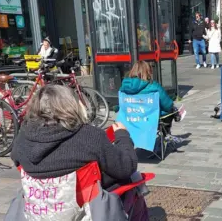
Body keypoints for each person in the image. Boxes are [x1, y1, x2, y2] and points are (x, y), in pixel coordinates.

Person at [10, 85, 147, 220]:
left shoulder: (22, 139)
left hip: (38, 211)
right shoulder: (90, 136)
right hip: (89, 211)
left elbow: (16, 160)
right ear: (71, 106)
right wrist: (123, 136)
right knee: (134, 182)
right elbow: (125, 167)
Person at [119, 61, 181, 131]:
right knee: (170, 110)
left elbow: (122, 104)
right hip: (150, 117)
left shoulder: (124, 87)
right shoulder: (154, 86)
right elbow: (167, 105)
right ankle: (165, 133)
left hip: (131, 117)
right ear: (148, 72)